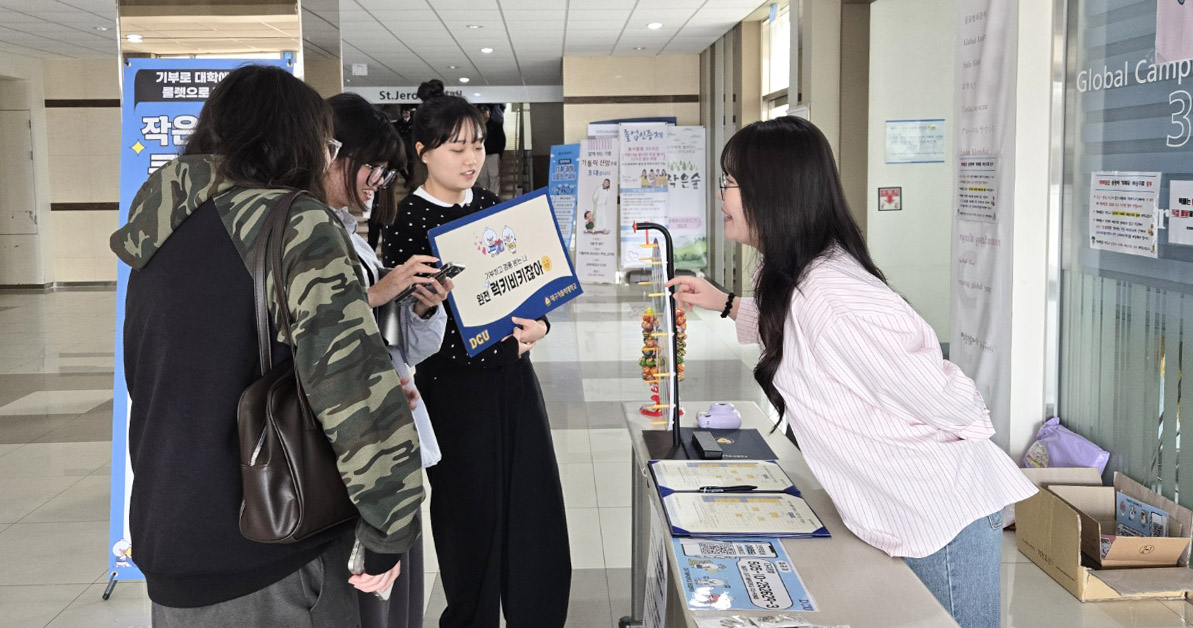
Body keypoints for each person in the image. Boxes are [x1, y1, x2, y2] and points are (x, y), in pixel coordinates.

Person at [666, 116, 1035, 628]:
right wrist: (728, 304)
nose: (722, 196)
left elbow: (955, 403)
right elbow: (804, 338)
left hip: (937, 514)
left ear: (771, 192)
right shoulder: (800, 275)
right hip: (894, 509)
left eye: (730, 183)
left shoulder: (836, 298)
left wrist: (955, 446)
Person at [111, 65, 424, 627]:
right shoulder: (293, 222)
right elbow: (353, 387)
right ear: (294, 141)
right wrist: (391, 521)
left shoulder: (157, 222)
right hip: (273, 539)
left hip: (171, 531)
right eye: (324, 144)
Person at [379, 79, 571, 628]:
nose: (470, 159)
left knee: (533, 505)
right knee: (471, 516)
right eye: (456, 147)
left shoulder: (493, 207)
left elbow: (528, 285)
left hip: (514, 377)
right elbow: (401, 330)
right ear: (423, 152)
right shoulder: (406, 225)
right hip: (453, 391)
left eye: (478, 145)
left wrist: (541, 326)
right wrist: (422, 308)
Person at [326, 92, 454, 628]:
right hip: (359, 450)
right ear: (331, 154)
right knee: (369, 597)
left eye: (384, 171)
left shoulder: (352, 237)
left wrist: (423, 307)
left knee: (398, 595)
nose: (378, 181)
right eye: (372, 167)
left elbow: (407, 352)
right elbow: (315, 340)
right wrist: (379, 294)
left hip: (391, 439)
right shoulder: (307, 236)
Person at [477, 104, 505, 196]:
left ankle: (495, 197)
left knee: (494, 177)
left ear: (489, 113)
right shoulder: (475, 127)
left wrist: (498, 153)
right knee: (481, 178)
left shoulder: (495, 125)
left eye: (485, 111)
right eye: (481, 112)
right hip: (479, 156)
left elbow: (501, 140)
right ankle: (484, 197)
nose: (483, 114)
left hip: (493, 154)